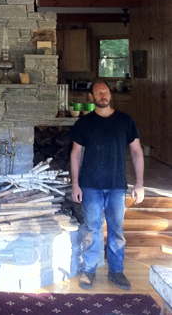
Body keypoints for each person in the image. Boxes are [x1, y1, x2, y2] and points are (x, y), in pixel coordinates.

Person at [69, 80, 144, 290]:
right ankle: (89, 271)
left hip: (117, 186)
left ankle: (116, 272)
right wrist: (75, 184)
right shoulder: (83, 124)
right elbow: (75, 154)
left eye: (106, 92)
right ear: (91, 98)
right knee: (92, 229)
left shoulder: (125, 121)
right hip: (90, 186)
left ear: (110, 95)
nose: (104, 95)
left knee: (116, 230)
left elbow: (137, 152)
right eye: (99, 93)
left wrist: (139, 184)